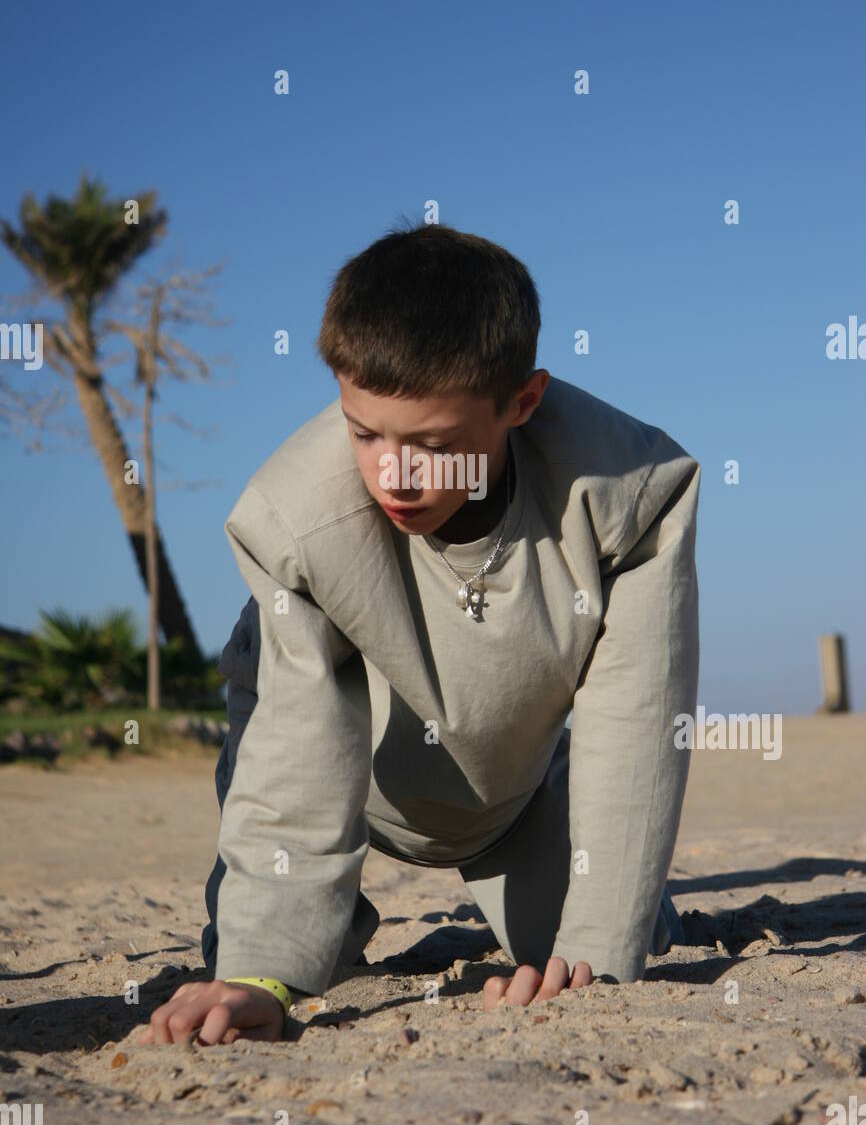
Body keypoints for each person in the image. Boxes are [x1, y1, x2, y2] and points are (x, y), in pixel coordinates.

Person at [137, 221, 699, 1046]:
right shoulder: (292, 518)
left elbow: (637, 721)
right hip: (350, 786)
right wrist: (261, 970)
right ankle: (314, 928)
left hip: (514, 798)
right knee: (268, 972)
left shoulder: (629, 495)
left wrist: (596, 954)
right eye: (364, 433)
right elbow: (300, 739)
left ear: (523, 402)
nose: (393, 477)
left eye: (434, 446)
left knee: (621, 956)